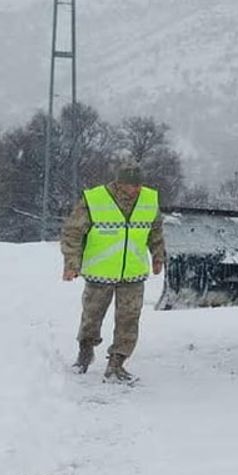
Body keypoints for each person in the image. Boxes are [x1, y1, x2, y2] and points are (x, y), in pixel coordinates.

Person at [60, 159, 165, 382]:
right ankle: (85, 351)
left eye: (139, 185)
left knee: (129, 320)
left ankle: (116, 363)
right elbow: (73, 232)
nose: (137, 189)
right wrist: (71, 264)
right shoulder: (95, 199)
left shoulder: (148, 200)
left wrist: (158, 256)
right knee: (92, 317)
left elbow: (155, 231)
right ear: (119, 183)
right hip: (100, 272)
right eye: (132, 185)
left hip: (133, 273)